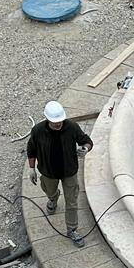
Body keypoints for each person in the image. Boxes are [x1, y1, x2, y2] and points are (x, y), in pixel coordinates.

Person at [27, 102, 93, 248]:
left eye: (60, 121)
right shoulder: (38, 131)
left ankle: (72, 229)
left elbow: (87, 141)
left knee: (72, 201)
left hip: (69, 171)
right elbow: (31, 149)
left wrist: (85, 148)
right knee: (49, 190)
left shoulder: (72, 127)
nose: (58, 124)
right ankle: (53, 198)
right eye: (55, 122)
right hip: (48, 172)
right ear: (47, 119)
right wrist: (31, 169)